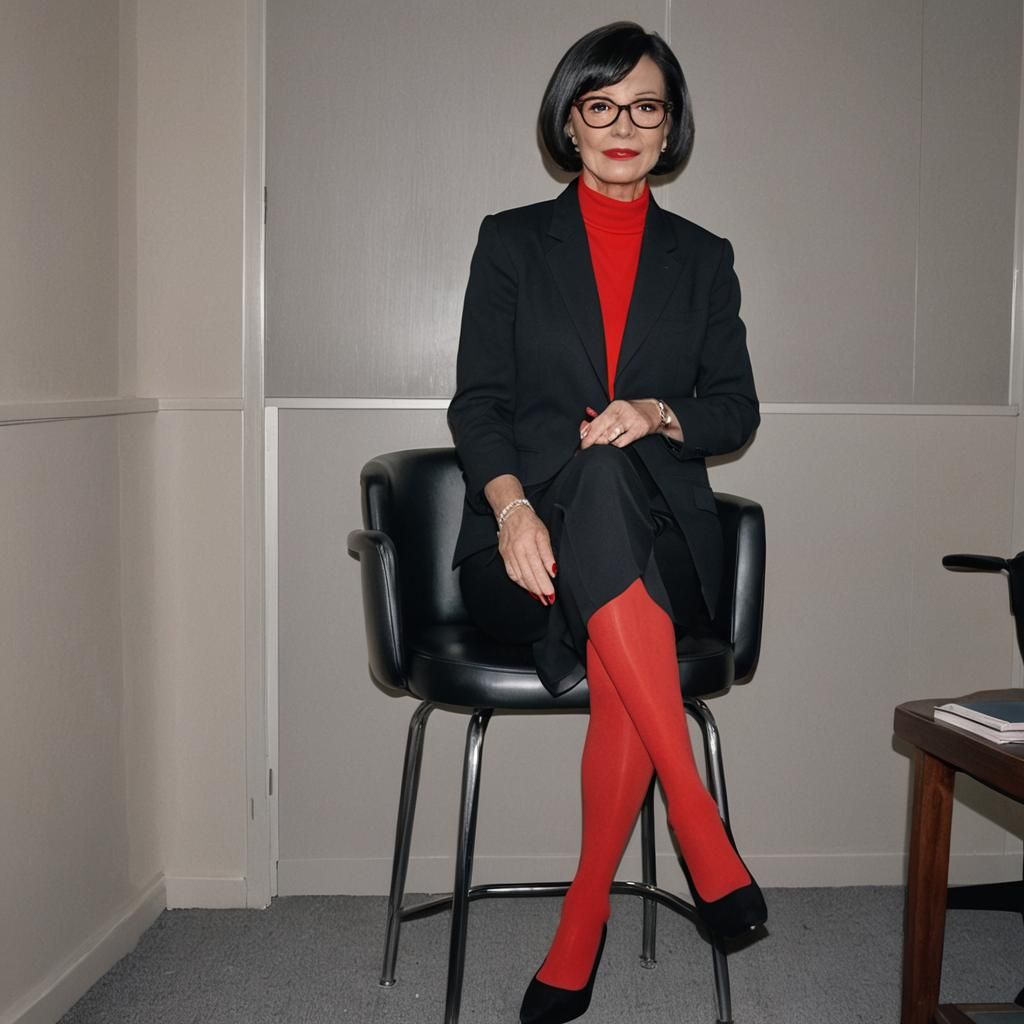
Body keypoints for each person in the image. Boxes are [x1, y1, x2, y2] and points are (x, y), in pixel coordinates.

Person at [447, 21, 765, 1024]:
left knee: (613, 494)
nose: (623, 125)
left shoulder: (703, 259)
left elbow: (736, 411)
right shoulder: (511, 242)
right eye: (601, 105)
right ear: (570, 121)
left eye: (645, 106)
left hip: (658, 543)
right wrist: (508, 511)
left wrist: (659, 412)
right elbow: (478, 406)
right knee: (614, 570)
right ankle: (694, 825)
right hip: (527, 554)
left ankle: (582, 925)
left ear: (670, 127)